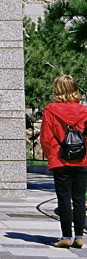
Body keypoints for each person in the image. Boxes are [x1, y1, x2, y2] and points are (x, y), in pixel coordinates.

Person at [40, 74, 87, 249]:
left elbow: (46, 138)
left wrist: (52, 155)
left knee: (64, 199)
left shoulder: (51, 111)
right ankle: (79, 236)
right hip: (82, 160)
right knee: (79, 199)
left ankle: (66, 236)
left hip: (60, 160)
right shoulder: (84, 111)